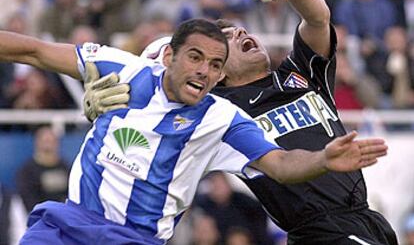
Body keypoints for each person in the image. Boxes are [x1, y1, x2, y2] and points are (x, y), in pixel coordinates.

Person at [85, 0, 398, 245]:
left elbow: (318, 19)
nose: (241, 33)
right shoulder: (217, 112)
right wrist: (116, 104)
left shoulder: (299, 73)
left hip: (367, 220)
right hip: (318, 232)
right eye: (229, 38)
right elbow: (158, 99)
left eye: (240, 30)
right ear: (216, 70)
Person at [0, 17, 387, 244]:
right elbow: (32, 51)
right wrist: (94, 106)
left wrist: (323, 158)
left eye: (215, 64)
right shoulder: (123, 73)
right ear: (166, 58)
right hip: (67, 224)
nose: (203, 70)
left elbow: (282, 164)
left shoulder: (222, 118)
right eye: (195, 58)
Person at [16, 126, 70, 213]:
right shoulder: (27, 171)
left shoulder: (65, 167)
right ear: (37, 143)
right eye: (45, 141)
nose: (48, 145)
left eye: (52, 141)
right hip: (39, 217)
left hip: (64, 215)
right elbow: (28, 199)